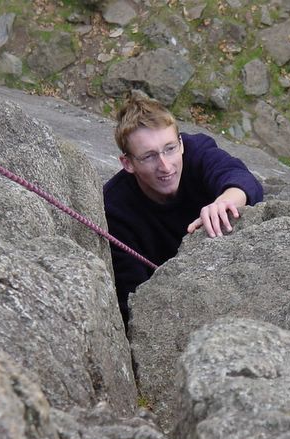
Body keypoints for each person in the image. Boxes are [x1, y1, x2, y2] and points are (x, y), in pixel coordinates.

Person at [103, 92, 264, 325]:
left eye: (170, 148)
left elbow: (241, 178)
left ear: (180, 144)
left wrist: (225, 201)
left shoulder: (196, 150)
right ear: (127, 163)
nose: (165, 166)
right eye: (149, 156)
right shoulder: (114, 209)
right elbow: (131, 298)